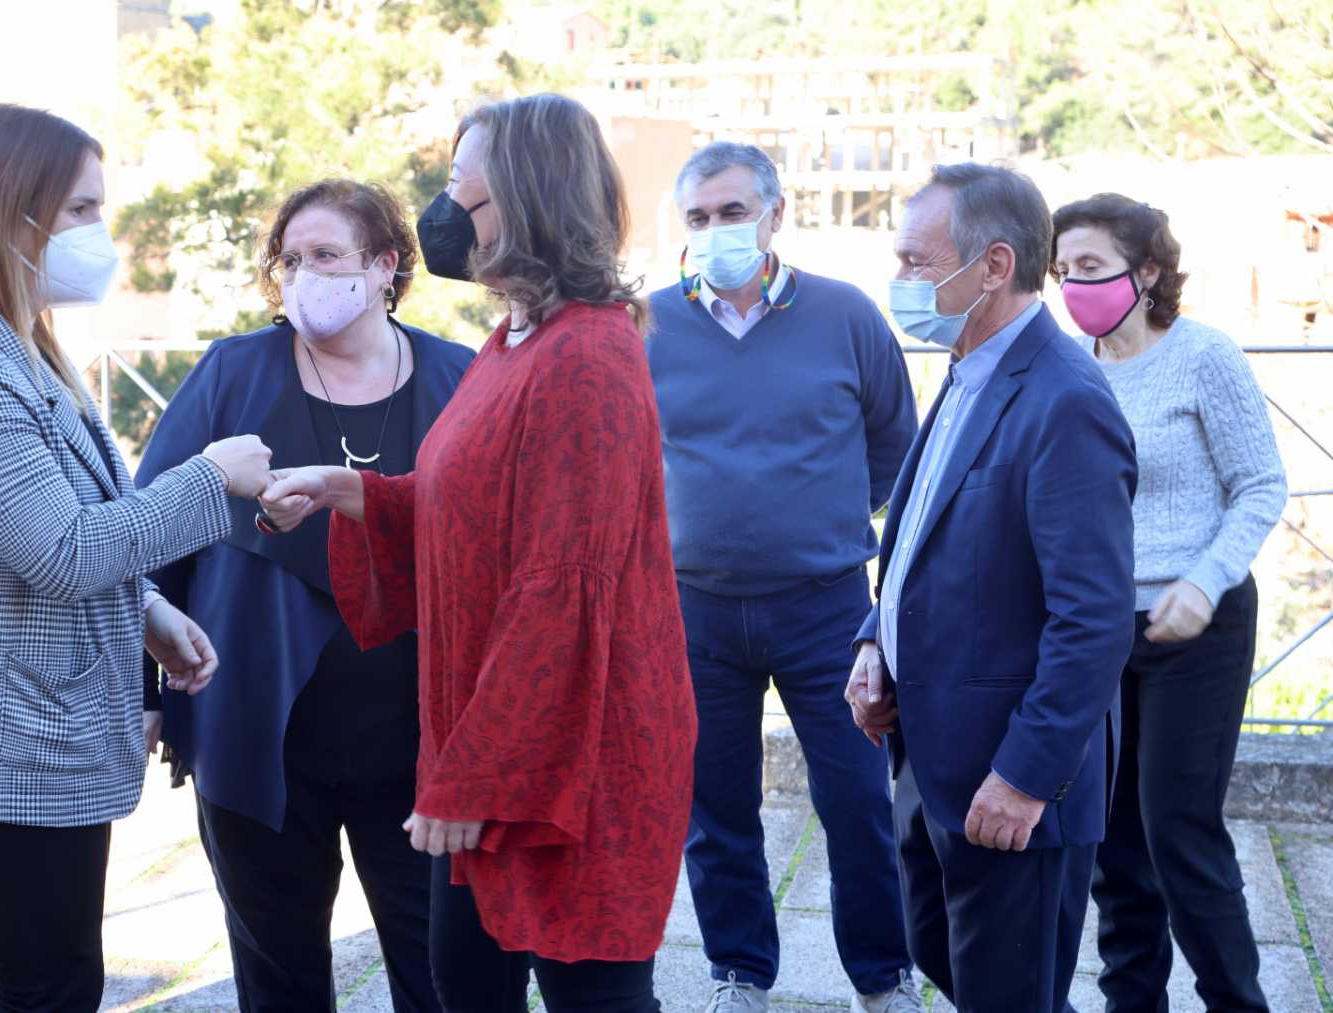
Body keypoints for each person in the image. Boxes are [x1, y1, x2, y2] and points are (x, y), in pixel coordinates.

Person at [261, 92, 696, 1013]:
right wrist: (360, 495)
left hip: (571, 760)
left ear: (526, 201)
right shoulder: (514, 338)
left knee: (593, 996)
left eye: (462, 190)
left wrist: (477, 776)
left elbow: (559, 587)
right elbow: (482, 510)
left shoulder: (586, 356)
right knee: (464, 983)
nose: (442, 214)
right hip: (502, 741)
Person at [0, 104, 273, 1013]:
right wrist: (214, 479)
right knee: (50, 985)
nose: (102, 233)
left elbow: (59, 523)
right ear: (17, 213)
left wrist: (146, 613)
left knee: (34, 979)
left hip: (29, 728)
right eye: (82, 210)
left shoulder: (18, 339)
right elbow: (61, 550)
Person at [136, 178, 474, 1013]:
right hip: (258, 730)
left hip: (423, 742)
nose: (302, 274)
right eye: (289, 259)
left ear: (385, 266)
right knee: (279, 973)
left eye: (324, 255)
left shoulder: (462, 376)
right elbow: (146, 533)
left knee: (440, 966)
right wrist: (144, 686)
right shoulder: (231, 371)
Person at [845, 163, 1137, 1012]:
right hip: (930, 754)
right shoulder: (970, 369)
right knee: (960, 965)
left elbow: (1092, 619)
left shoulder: (1063, 400)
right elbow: (931, 540)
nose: (899, 283)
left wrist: (1025, 776)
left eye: (915, 262)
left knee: (1011, 993)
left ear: (995, 265)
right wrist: (875, 638)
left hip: (1006, 777)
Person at [647, 142, 920, 1013]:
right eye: (698, 217)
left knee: (858, 806)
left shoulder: (847, 315)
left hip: (828, 608)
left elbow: (895, 451)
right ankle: (740, 974)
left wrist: (823, 522)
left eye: (732, 212)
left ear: (775, 214)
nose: (716, 230)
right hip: (693, 610)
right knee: (715, 811)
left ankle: (884, 978)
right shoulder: (644, 326)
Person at [1053, 193, 1285, 1012]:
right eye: (1064, 269)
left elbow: (1260, 486)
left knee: (1178, 833)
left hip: (1197, 626)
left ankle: (1235, 999)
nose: (1075, 285)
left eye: (1092, 267)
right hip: (1098, 631)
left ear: (1146, 269)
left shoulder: (1203, 356)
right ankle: (1133, 1002)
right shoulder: (1070, 366)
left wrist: (1203, 579)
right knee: (1114, 846)